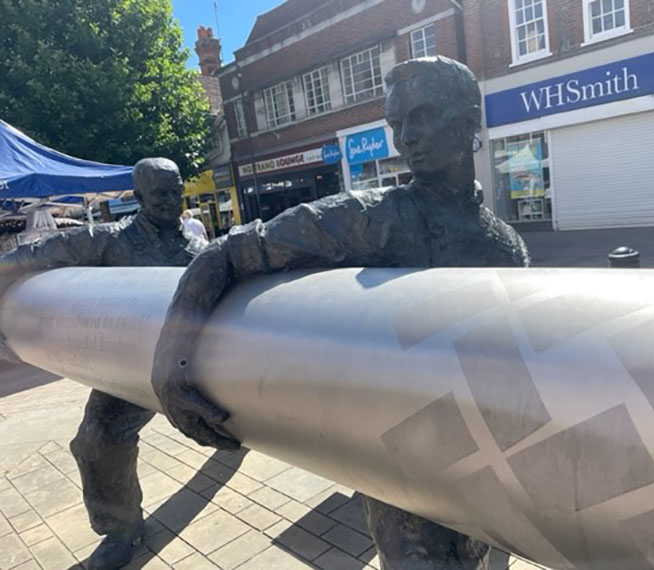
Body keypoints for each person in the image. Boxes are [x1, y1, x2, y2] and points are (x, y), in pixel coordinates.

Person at [151, 56, 530, 569]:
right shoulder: (373, 218)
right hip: (404, 469)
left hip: (486, 463)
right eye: (397, 124)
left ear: (468, 120)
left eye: (421, 116)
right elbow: (231, 251)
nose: (406, 138)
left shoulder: (507, 247)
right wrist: (172, 366)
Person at [0, 158, 206, 570]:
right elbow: (44, 250)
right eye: (160, 193)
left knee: (245, 421)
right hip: (132, 368)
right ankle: (122, 528)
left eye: (176, 190)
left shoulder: (200, 252)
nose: (171, 201)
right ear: (139, 196)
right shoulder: (111, 240)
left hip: (195, 365)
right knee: (96, 438)